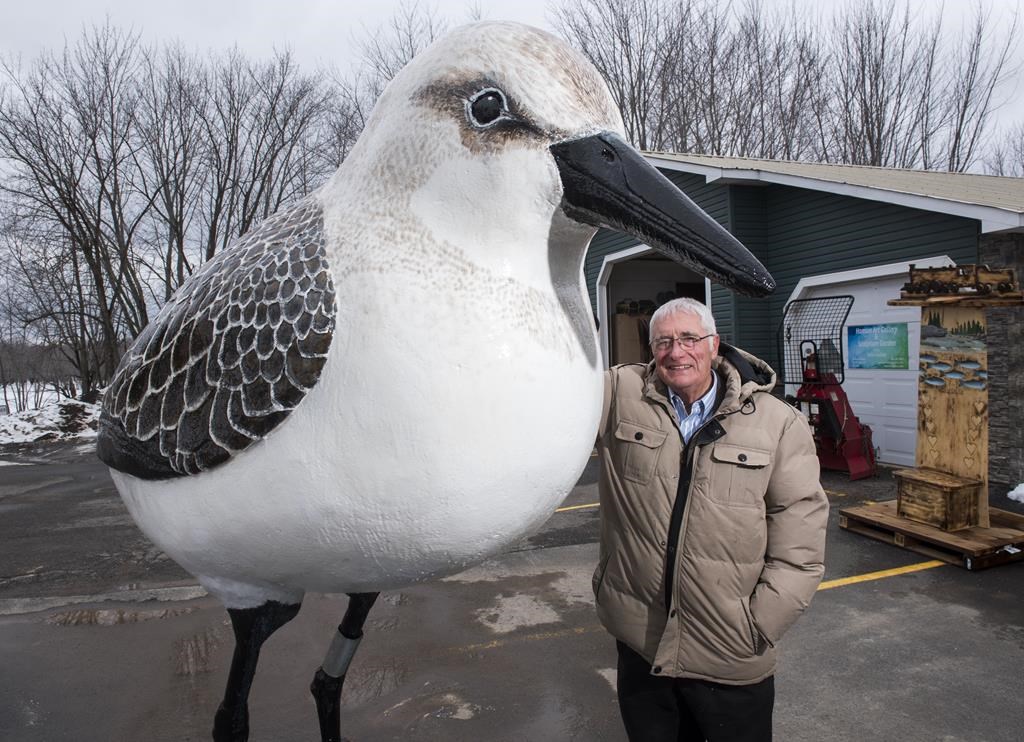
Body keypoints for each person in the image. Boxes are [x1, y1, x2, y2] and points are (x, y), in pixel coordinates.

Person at [594, 297, 828, 742]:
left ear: (714, 345)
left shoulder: (777, 424)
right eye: (663, 341)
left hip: (731, 650)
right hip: (643, 643)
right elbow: (548, 391)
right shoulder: (620, 394)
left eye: (688, 339)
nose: (676, 352)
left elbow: (801, 532)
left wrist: (759, 624)